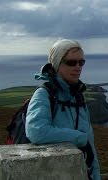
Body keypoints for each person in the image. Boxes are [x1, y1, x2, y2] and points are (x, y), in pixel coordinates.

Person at [25, 39, 100, 180]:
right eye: (71, 62)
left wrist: (95, 176)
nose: (78, 67)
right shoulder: (44, 94)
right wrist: (79, 138)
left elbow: (91, 148)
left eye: (81, 62)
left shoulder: (78, 96)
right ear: (57, 64)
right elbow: (36, 131)